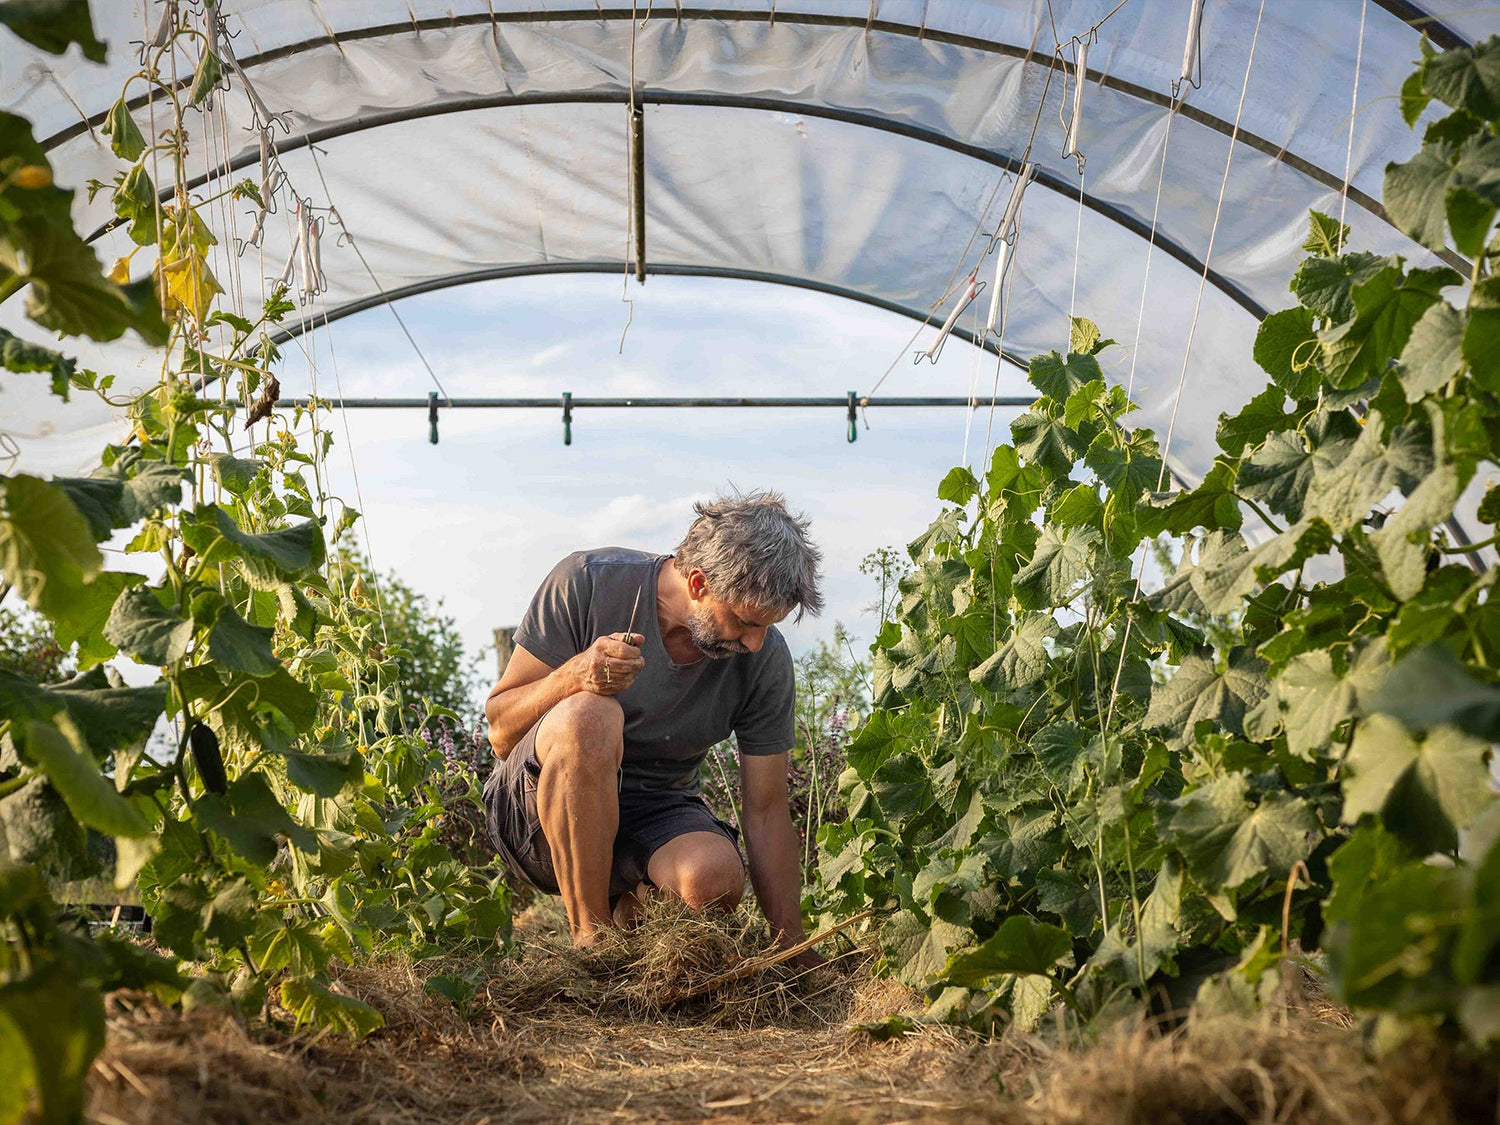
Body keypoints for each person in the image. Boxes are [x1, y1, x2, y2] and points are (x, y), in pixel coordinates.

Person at [482, 490, 825, 964]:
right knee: (591, 715)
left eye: (768, 626)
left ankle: (630, 909)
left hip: (655, 811)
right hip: (535, 817)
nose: (755, 642)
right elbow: (500, 732)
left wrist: (790, 943)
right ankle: (592, 945)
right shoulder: (586, 582)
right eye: (746, 622)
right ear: (700, 583)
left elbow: (766, 810)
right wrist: (573, 676)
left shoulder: (763, 658)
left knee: (711, 879)